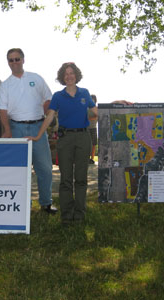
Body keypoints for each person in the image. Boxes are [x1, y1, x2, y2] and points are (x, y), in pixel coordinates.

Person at [27, 62, 97, 225]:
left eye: (72, 73)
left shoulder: (84, 93)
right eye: (66, 74)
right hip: (65, 139)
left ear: (76, 75)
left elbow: (97, 112)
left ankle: (79, 213)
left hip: (83, 138)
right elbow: (50, 116)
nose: (69, 76)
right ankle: (66, 214)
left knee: (81, 178)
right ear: (62, 77)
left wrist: (117, 103)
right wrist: (38, 136)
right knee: (66, 179)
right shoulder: (58, 96)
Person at [0, 48, 57, 214]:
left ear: (23, 60)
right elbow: (2, 110)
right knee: (20, 170)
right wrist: (7, 130)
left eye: (17, 59)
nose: (14, 62)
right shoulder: (5, 85)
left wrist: (45, 117)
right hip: (16, 128)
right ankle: (23, 206)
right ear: (8, 62)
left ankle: (46, 203)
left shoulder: (36, 78)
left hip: (38, 127)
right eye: (11, 60)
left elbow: (49, 99)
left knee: (44, 167)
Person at [88, 94, 98, 164]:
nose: (92, 100)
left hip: (94, 128)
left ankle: (92, 158)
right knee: (88, 144)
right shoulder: (86, 108)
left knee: (94, 144)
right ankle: (87, 158)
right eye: (91, 99)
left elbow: (97, 117)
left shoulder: (96, 108)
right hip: (87, 128)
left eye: (93, 99)